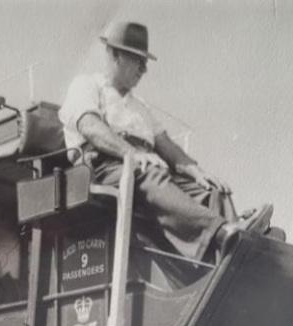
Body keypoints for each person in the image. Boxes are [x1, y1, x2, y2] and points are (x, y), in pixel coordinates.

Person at [59, 21, 272, 261]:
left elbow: (166, 146)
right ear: (115, 54)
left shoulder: (141, 107)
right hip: (104, 166)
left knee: (212, 191)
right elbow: (90, 126)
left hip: (144, 166)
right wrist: (132, 154)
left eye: (145, 62)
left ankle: (238, 252)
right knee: (151, 175)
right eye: (139, 60)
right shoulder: (87, 84)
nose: (144, 69)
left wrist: (197, 172)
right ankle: (224, 234)